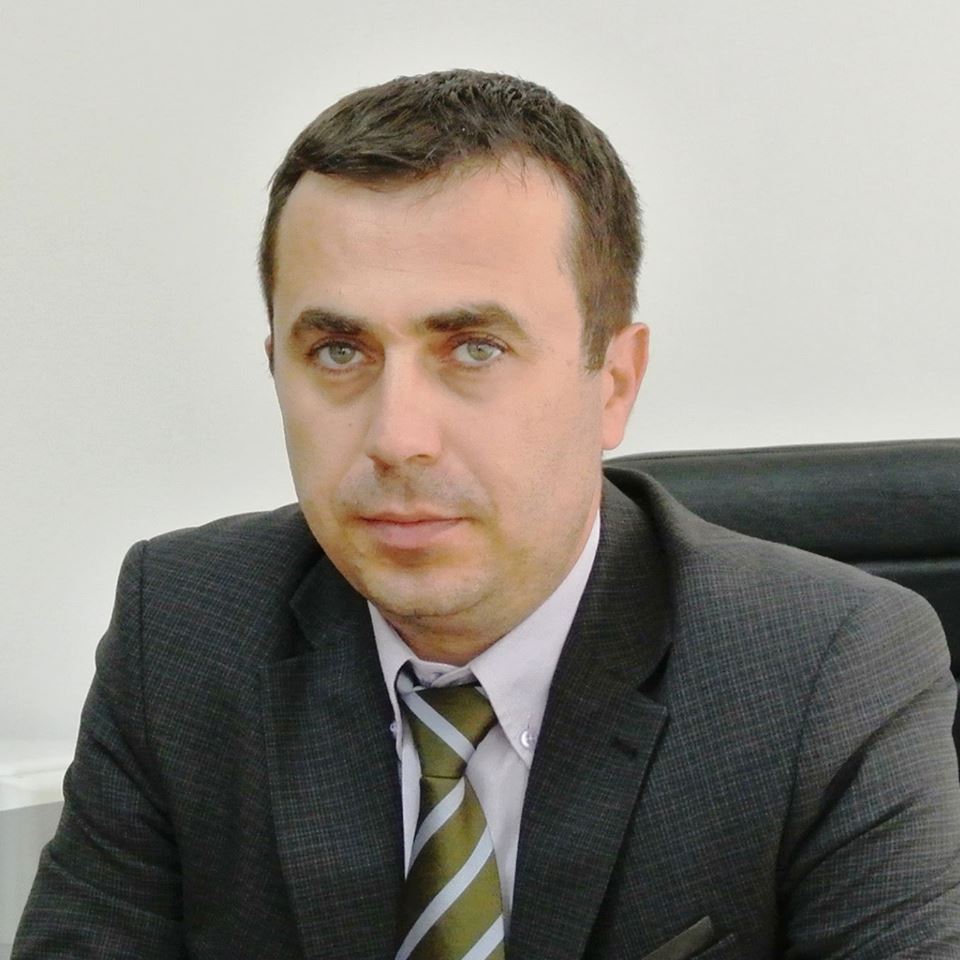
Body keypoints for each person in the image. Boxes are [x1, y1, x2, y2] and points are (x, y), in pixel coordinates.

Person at [13, 69, 960, 960]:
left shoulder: (826, 671)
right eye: (339, 351)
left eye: (473, 348)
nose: (398, 438)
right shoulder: (181, 629)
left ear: (613, 382)